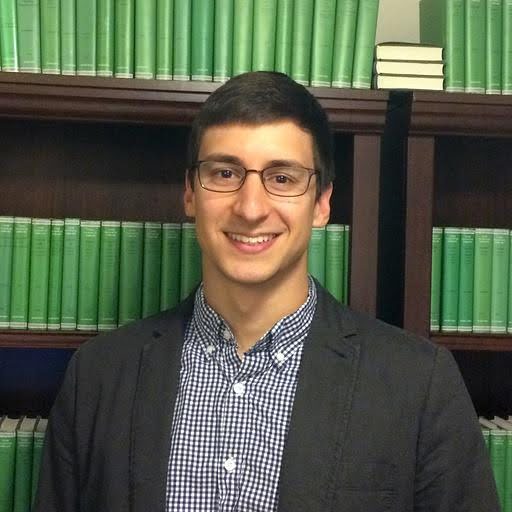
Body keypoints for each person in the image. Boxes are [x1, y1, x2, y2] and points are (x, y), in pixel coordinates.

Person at [34, 71, 499, 512]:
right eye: (224, 173)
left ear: (321, 204)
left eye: (282, 178)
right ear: (190, 194)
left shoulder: (420, 385)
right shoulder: (97, 376)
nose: (251, 208)